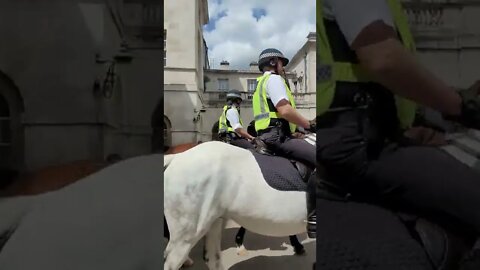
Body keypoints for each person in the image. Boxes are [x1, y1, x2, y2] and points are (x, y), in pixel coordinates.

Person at [317, 0, 480, 268]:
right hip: (359, 146)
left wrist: (409, 127)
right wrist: (462, 107)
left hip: (357, 134)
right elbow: (384, 59)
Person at [252, 48, 317, 237]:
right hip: (277, 138)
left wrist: (296, 133)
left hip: (270, 135)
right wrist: (309, 125)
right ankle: (314, 218)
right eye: (282, 63)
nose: (284, 68)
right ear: (273, 62)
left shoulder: (260, 83)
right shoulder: (274, 80)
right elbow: (284, 110)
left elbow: (276, 117)